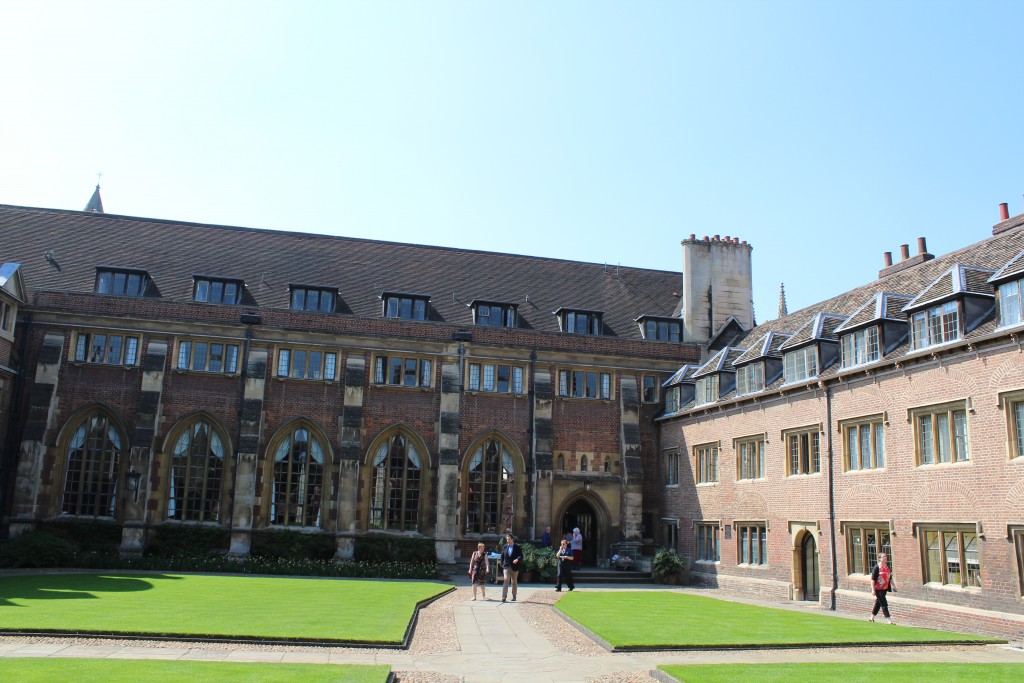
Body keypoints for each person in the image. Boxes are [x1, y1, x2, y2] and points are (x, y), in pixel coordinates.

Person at [869, 552, 896, 624]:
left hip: (885, 588)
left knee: (878, 603)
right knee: (884, 603)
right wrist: (873, 590)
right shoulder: (877, 567)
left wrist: (894, 586)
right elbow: (873, 579)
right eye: (884, 556)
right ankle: (889, 620)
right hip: (878, 589)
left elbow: (890, 577)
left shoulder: (887, 567)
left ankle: (872, 617)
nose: (885, 557)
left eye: (886, 556)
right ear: (880, 559)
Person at [500, 533, 523, 603]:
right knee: (506, 580)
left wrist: (517, 559)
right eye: (507, 539)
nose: (508, 541)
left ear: (512, 539)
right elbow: (502, 556)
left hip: (515, 567)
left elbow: (521, 556)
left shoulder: (517, 547)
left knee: (514, 582)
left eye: (509, 539)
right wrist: (502, 565)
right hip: (506, 566)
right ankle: (504, 597)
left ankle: (514, 596)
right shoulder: (505, 547)